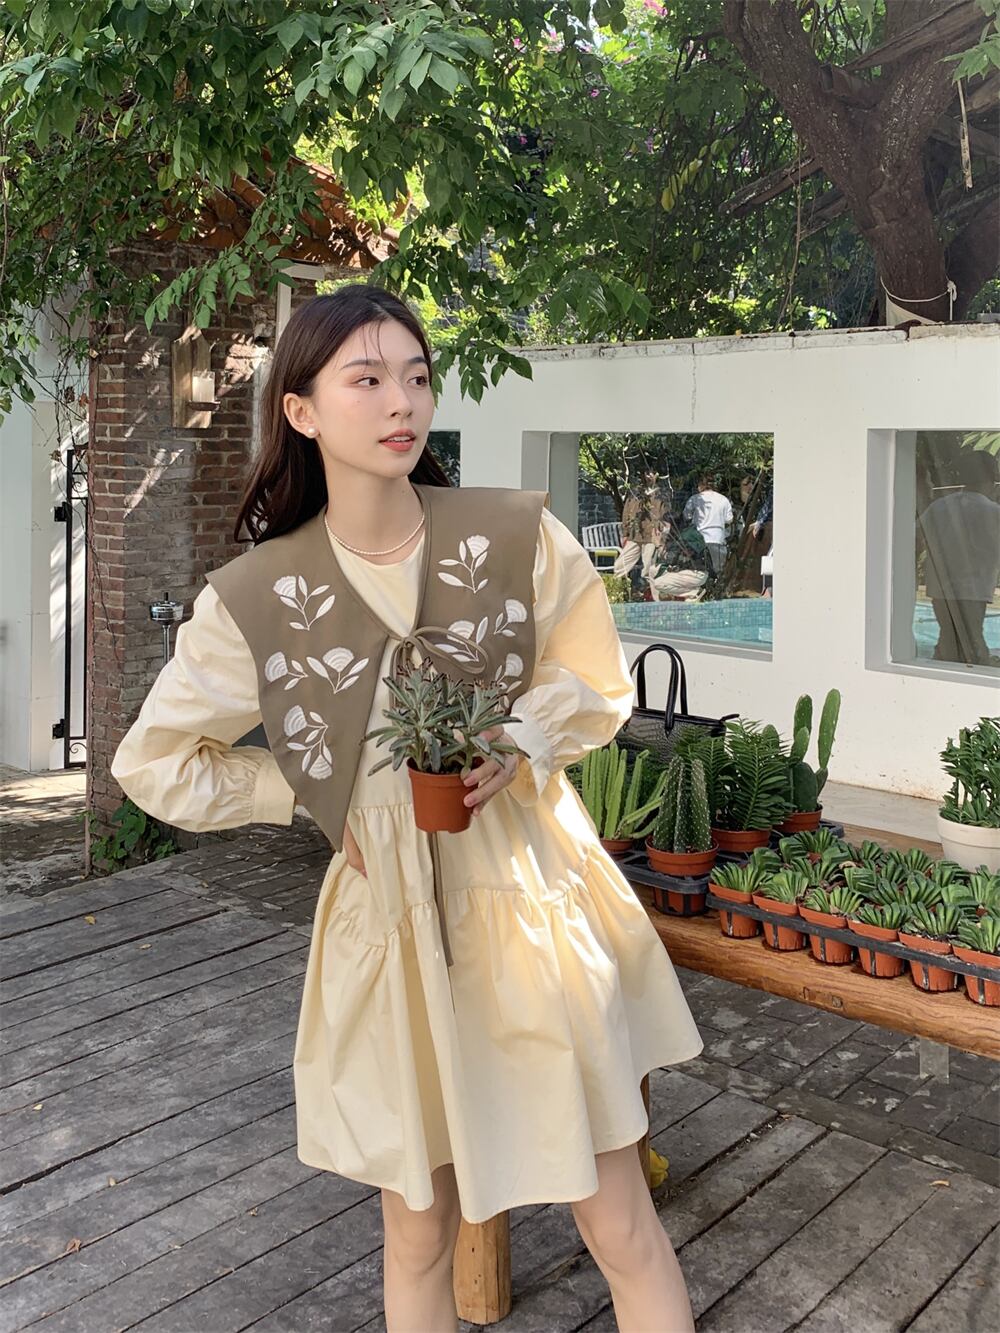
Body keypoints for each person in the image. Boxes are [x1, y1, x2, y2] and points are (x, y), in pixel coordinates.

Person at [111, 286, 703, 1333]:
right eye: (368, 378)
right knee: (417, 1235)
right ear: (301, 410)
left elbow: (596, 678)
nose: (403, 402)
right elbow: (154, 763)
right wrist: (311, 788)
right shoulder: (259, 596)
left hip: (530, 902)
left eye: (418, 377)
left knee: (616, 1216)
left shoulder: (512, 536)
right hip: (391, 936)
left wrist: (520, 740)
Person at [918, 450, 1000, 666]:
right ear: (992, 478)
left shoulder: (939, 507)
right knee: (971, 640)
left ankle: (943, 666)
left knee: (948, 635)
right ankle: (976, 669)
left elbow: (918, 538)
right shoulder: (993, 512)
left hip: (941, 589)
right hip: (973, 590)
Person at [613, 514, 711, 601]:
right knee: (653, 570)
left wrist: (658, 544)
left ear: (671, 524)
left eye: (664, 525)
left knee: (659, 583)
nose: (663, 528)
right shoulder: (679, 533)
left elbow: (670, 559)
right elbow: (667, 557)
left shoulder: (685, 537)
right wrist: (661, 543)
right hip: (686, 569)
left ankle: (694, 592)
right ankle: (659, 602)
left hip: (695, 573)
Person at [682, 475, 733, 575]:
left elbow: (686, 516)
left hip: (698, 542)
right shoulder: (724, 499)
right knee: (719, 572)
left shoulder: (694, 498)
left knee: (698, 572)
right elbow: (729, 520)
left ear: (701, 486)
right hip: (718, 540)